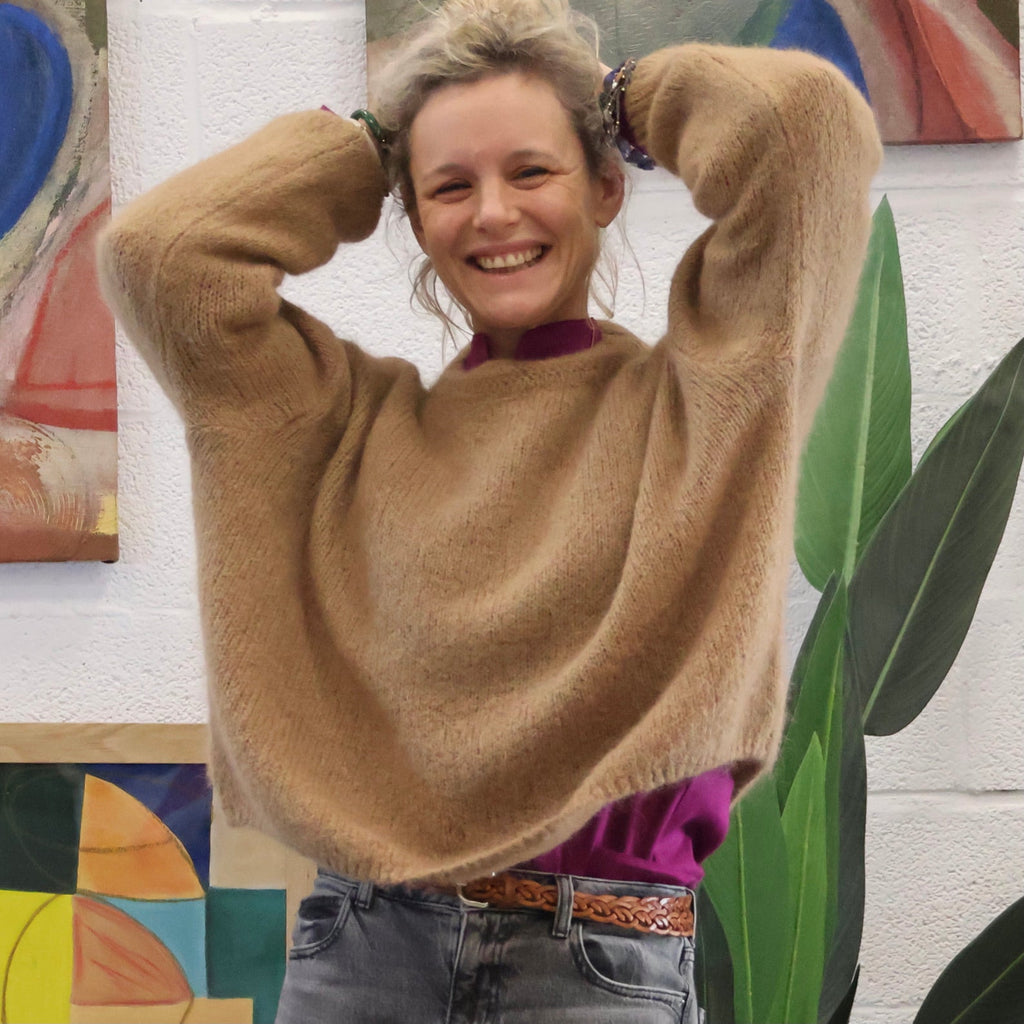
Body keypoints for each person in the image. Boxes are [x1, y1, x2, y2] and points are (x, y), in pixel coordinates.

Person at [97, 0, 881, 1019]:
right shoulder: (343, 432)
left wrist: (611, 99)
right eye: (451, 186)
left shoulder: (706, 409)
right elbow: (163, 258)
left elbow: (808, 127)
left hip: (595, 961)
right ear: (415, 217)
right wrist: (371, 143)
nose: (494, 213)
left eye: (532, 170)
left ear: (605, 186)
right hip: (361, 950)